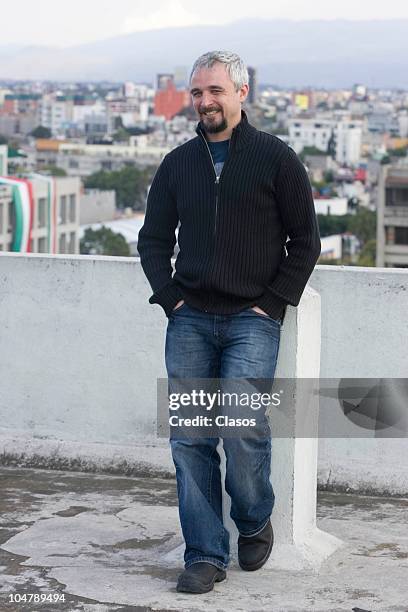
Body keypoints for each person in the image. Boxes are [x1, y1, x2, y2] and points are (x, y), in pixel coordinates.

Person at [137, 50, 321, 594]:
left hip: (252, 319)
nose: (205, 101)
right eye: (197, 92)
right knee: (190, 438)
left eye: (215, 90)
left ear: (241, 93)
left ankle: (253, 516)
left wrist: (273, 302)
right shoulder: (178, 163)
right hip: (190, 319)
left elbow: (304, 242)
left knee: (242, 429)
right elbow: (153, 240)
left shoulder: (276, 158)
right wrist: (170, 299)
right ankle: (205, 553)